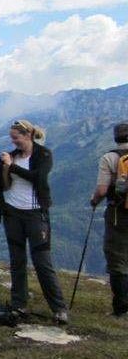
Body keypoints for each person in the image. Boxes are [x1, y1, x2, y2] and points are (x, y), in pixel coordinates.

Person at [0, 119, 68, 324]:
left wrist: (12, 167)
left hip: (36, 214)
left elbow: (39, 178)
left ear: (27, 135)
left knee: (43, 263)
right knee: (17, 261)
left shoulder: (43, 155)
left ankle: (59, 308)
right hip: (12, 214)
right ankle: (19, 305)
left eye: (16, 138)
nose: (13, 141)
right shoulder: (11, 157)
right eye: (11, 138)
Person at [89, 121, 128, 317]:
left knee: (117, 258)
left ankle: (121, 308)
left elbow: (102, 190)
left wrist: (94, 201)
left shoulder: (110, 158)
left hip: (118, 214)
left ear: (116, 137)